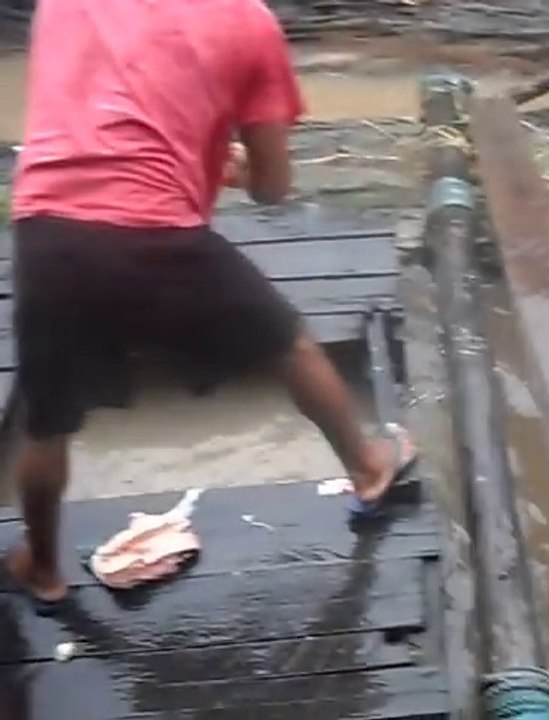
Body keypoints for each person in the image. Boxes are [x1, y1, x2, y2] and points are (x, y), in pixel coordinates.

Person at [6, 0, 416, 613]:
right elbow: (273, 190)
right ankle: (368, 468)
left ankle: (42, 567)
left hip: (49, 229)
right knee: (289, 343)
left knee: (47, 419)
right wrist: (241, 166)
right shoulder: (248, 23)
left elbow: (112, 111)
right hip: (158, 234)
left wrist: (199, 156)